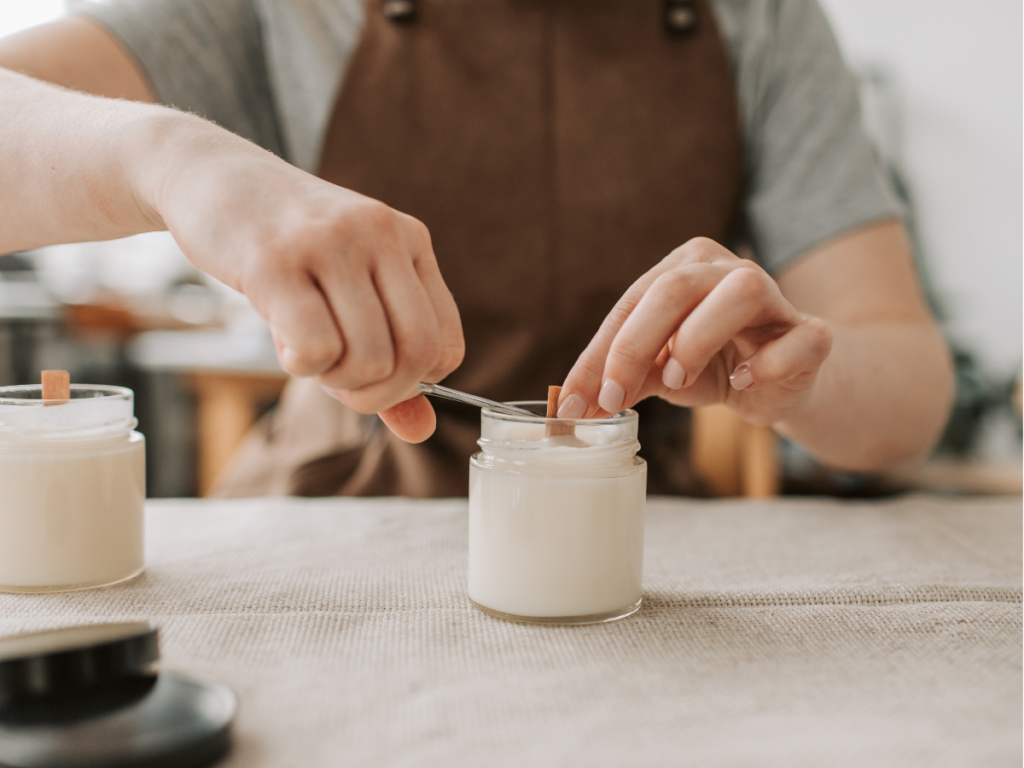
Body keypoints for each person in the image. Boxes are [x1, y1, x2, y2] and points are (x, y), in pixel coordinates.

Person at [0, 0, 953, 497]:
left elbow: (908, 391)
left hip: (636, 550)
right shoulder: (280, 15)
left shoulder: (764, 24)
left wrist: (796, 383)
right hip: (335, 526)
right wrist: (171, 155)